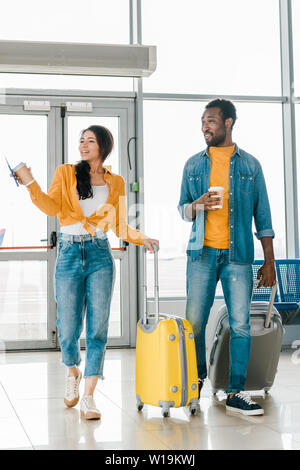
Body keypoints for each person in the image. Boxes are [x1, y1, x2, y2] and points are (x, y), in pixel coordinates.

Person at [14, 125, 159, 420]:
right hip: (68, 252)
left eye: (90, 141)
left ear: (103, 147)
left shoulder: (115, 182)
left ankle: (90, 396)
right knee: (67, 328)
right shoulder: (66, 172)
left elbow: (118, 225)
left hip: (99, 255)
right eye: (81, 141)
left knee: (97, 328)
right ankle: (72, 370)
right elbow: (51, 207)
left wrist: (143, 238)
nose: (83, 145)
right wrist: (31, 184)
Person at [178, 99, 276, 416]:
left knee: (240, 325)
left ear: (229, 122)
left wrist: (269, 261)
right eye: (203, 121)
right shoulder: (193, 165)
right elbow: (182, 209)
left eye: (211, 121)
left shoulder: (250, 166)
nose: (205, 126)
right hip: (201, 255)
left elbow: (264, 218)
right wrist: (198, 204)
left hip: (238, 258)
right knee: (193, 323)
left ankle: (235, 392)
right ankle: (196, 385)